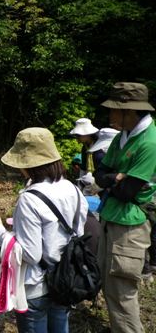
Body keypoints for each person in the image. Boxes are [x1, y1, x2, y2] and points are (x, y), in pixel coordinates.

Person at [0, 127, 88, 333]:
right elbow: (75, 234)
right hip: (65, 278)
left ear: (29, 165)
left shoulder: (29, 199)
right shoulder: (73, 189)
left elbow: (31, 254)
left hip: (37, 286)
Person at [94, 82, 156, 333]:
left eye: (114, 110)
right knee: (109, 283)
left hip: (130, 225)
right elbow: (101, 174)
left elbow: (127, 191)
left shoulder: (149, 143)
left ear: (130, 111)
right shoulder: (123, 136)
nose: (110, 116)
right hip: (112, 218)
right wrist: (116, 178)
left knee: (122, 291)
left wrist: (115, 181)